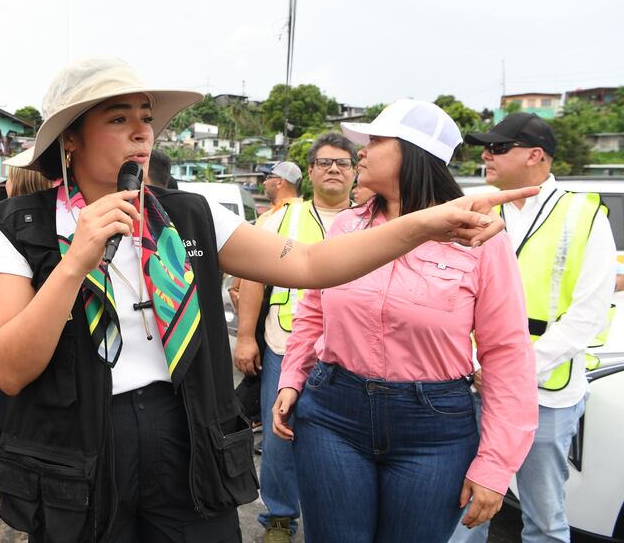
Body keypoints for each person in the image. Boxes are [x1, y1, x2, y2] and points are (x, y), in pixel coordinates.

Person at [0, 57, 536, 543]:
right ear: (70, 138)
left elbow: (310, 264)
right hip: (78, 450)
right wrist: (75, 262)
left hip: (187, 438)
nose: (142, 133)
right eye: (119, 119)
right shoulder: (21, 229)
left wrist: (425, 224)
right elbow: (12, 371)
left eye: (146, 118)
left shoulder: (189, 215)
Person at [272, 99, 539, 543]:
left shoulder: (481, 239)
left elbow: (507, 352)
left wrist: (496, 464)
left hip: (433, 428)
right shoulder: (347, 227)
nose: (361, 151)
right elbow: (313, 311)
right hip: (333, 413)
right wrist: (292, 378)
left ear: (413, 153)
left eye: (376, 140)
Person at [449, 113, 616, 543]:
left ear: (535, 155)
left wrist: (512, 370)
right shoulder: (480, 208)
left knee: (544, 517)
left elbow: (587, 316)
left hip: (546, 393)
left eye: (498, 147)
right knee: (466, 509)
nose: (486, 155)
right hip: (475, 384)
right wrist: (476, 365)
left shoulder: (584, 215)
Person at [234, 135, 356, 543]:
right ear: (310, 171)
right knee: (278, 435)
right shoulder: (282, 219)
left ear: (355, 171)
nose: (334, 169)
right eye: (324, 162)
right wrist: (246, 337)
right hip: (284, 345)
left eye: (343, 163)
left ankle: (336, 518)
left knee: (342, 441)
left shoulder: (372, 220)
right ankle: (281, 518)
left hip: (349, 352)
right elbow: (252, 278)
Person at [0, 165, 53, 507]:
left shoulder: (45, 227)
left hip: (38, 341)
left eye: (8, 178)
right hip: (12, 340)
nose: (5, 184)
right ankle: (1, 477)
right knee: (7, 413)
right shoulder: (7, 229)